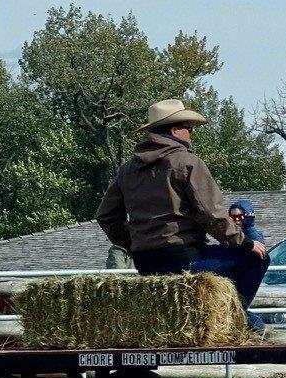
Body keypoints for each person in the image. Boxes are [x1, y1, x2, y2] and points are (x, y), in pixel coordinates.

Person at [96, 98, 269, 331]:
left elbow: (106, 215)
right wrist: (244, 243)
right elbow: (211, 213)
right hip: (185, 259)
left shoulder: (128, 170)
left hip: (145, 262)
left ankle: (239, 318)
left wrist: (132, 243)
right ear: (175, 130)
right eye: (189, 128)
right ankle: (233, 318)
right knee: (258, 257)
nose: (191, 135)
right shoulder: (187, 162)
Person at [190, 199, 271, 333]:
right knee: (233, 305)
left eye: (239, 217)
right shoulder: (232, 235)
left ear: (248, 217)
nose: (236, 221)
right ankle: (256, 325)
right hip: (233, 274)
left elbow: (254, 254)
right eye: (232, 217)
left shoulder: (252, 237)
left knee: (236, 305)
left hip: (240, 275)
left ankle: (257, 325)